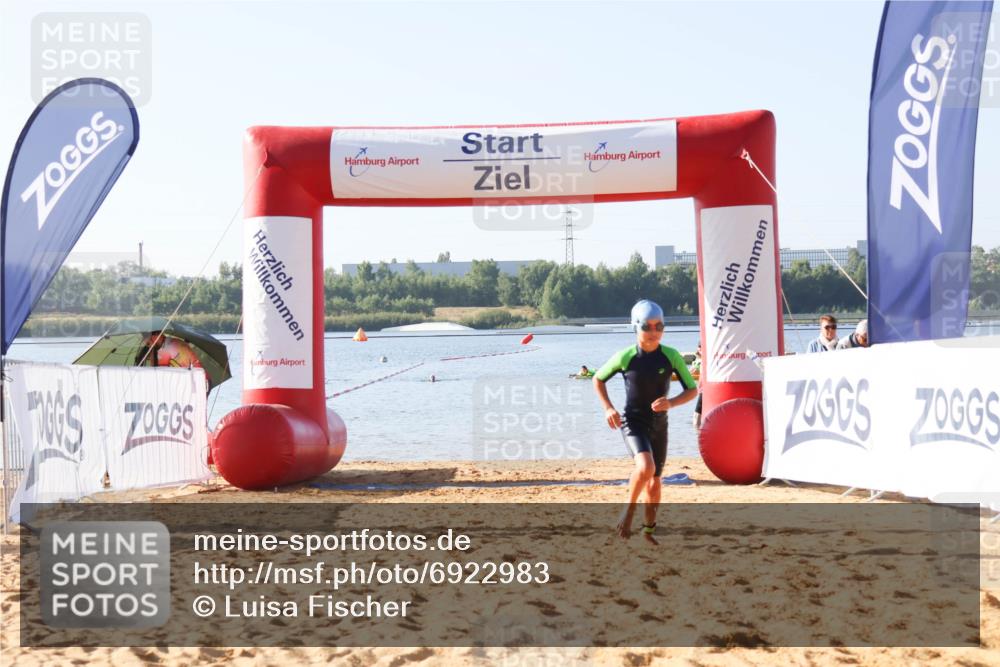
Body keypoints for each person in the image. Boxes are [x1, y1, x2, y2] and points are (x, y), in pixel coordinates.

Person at [593, 299, 698, 544]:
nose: (653, 333)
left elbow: (692, 390)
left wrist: (671, 403)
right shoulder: (626, 357)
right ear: (635, 327)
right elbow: (597, 379)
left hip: (659, 425)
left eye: (659, 327)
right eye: (647, 327)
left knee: (656, 480)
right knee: (646, 468)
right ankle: (628, 510)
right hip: (633, 422)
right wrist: (608, 407)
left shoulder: (671, 356)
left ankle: (648, 530)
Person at [691, 344, 703, 430]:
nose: (700, 349)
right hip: (701, 389)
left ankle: (697, 431)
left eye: (701, 347)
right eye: (699, 347)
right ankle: (697, 431)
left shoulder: (704, 361)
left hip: (704, 390)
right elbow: (692, 370)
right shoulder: (698, 360)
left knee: (697, 414)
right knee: (697, 414)